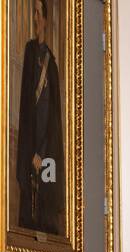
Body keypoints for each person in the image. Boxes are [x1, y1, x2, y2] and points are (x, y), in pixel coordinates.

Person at [16, 0, 63, 234]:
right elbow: (27, 107)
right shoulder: (29, 51)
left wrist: (41, 153)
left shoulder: (51, 66)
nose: (35, 18)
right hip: (30, 144)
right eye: (33, 13)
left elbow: (52, 117)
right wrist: (31, 150)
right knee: (28, 211)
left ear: (45, 19)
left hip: (46, 151)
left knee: (45, 202)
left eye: (38, 13)